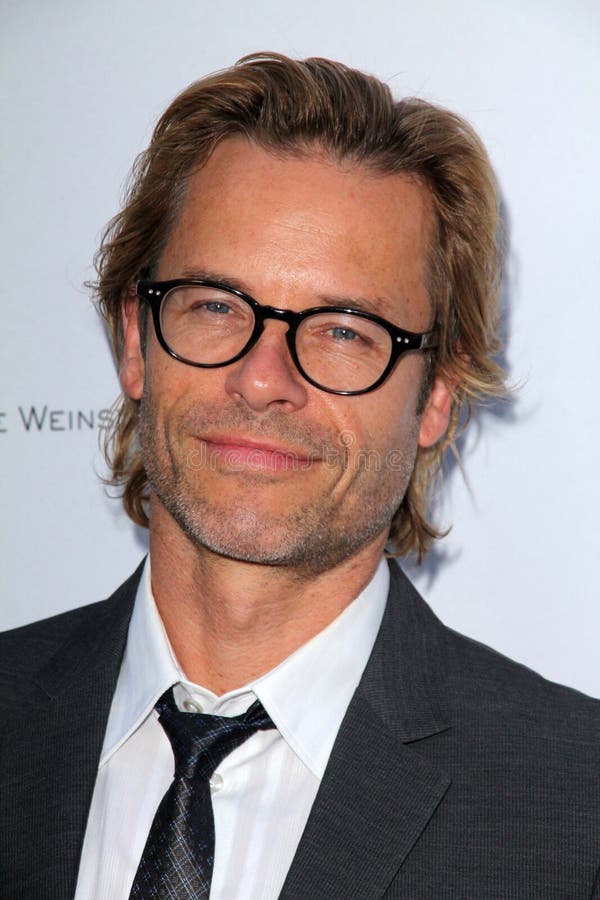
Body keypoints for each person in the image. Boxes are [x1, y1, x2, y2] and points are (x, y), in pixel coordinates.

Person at [2, 52, 599, 900]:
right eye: (216, 305)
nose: (261, 380)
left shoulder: (575, 811)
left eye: (344, 330)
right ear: (136, 339)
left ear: (436, 395)